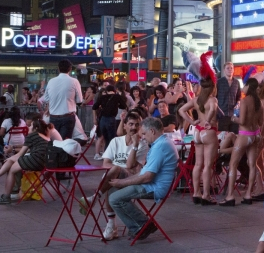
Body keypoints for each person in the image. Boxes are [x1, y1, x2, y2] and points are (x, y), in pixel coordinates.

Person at [78, 111, 148, 240]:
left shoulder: (142, 145)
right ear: (125, 125)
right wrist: (118, 169)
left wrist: (135, 147)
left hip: (131, 179)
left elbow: (131, 166)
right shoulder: (116, 141)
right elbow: (106, 163)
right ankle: (111, 226)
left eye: (137, 125)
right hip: (113, 177)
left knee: (113, 173)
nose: (133, 127)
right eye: (131, 124)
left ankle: (96, 201)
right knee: (112, 179)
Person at [108, 117, 178, 240]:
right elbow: (144, 172)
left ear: (152, 131)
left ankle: (142, 224)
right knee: (115, 182)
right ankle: (136, 224)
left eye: (144, 134)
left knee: (114, 198)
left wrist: (122, 183)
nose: (143, 137)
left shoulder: (160, 146)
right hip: (150, 183)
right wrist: (122, 181)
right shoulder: (161, 142)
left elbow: (147, 177)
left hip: (154, 187)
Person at [219, 77, 263, 206]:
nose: (242, 88)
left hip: (244, 135)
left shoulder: (245, 101)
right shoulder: (259, 102)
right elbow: (260, 122)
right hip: (255, 135)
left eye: (244, 85)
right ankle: (249, 194)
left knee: (233, 164)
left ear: (249, 86)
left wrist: (233, 118)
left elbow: (242, 121)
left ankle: (230, 196)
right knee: (252, 164)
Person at [178, 77, 219, 205]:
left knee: (198, 164)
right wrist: (208, 120)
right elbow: (212, 109)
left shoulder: (196, 100)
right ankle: (206, 195)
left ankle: (196, 193)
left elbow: (181, 110)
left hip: (197, 131)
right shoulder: (212, 99)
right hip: (209, 130)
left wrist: (191, 122)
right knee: (207, 165)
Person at [0, 117, 50, 204]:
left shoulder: (31, 136)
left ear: (36, 128)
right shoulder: (43, 136)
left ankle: (6, 196)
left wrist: (10, 158)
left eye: (30, 126)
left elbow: (20, 154)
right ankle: (6, 195)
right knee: (11, 162)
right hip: (43, 162)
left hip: (34, 160)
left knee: (12, 170)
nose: (28, 127)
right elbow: (25, 151)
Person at [37, 59, 83, 139]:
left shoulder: (51, 81)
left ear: (58, 69)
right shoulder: (74, 81)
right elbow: (79, 100)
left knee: (54, 142)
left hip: (53, 117)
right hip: (68, 117)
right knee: (65, 143)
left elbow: (47, 98)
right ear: (70, 69)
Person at [216, 62, 242, 134]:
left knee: (234, 135)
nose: (230, 70)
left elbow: (239, 96)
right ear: (224, 70)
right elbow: (215, 97)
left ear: (233, 70)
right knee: (223, 136)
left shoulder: (237, 82)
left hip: (234, 115)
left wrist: (238, 103)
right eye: (228, 68)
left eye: (231, 68)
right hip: (222, 114)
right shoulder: (219, 82)